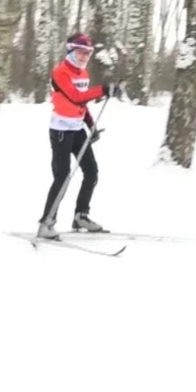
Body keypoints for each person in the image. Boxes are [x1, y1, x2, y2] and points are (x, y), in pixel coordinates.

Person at [37, 33, 122, 239]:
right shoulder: (61, 72)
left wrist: (91, 126)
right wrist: (102, 89)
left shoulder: (83, 75)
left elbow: (82, 104)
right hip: (60, 131)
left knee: (91, 171)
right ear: (71, 50)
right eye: (81, 52)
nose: (85, 57)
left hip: (77, 129)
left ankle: (81, 216)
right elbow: (75, 97)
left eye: (88, 53)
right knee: (62, 177)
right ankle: (46, 223)